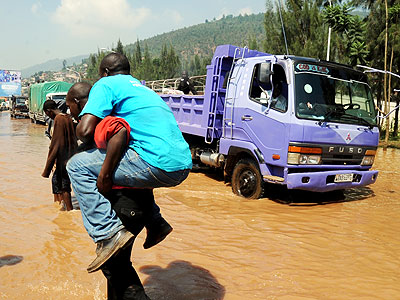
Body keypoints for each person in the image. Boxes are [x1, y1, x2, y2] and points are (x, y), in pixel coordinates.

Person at [66, 53, 192, 273]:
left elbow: (85, 131)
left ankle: (107, 233)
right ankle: (156, 222)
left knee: (76, 165)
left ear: (104, 73)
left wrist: (85, 119)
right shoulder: (143, 89)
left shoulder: (106, 84)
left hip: (154, 162)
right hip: (181, 164)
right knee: (135, 163)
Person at [41, 100, 77, 211]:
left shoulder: (58, 119)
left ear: (49, 111)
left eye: (47, 114)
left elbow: (56, 144)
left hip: (63, 158)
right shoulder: (67, 117)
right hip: (70, 156)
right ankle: (59, 207)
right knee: (56, 181)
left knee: (63, 185)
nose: (48, 116)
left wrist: (50, 164)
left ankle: (69, 210)